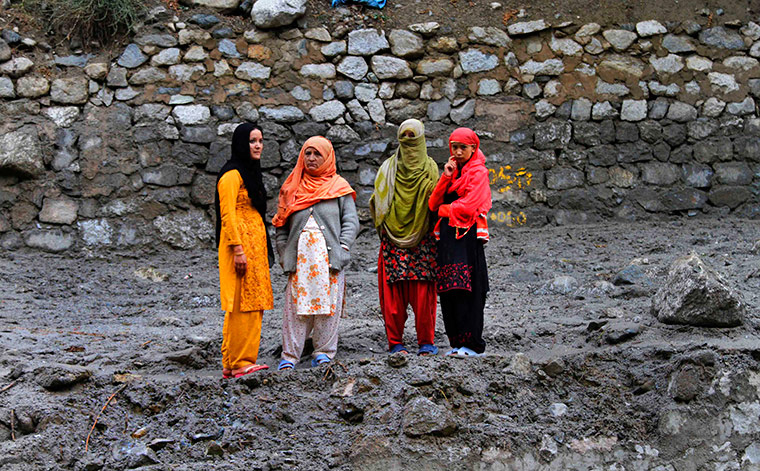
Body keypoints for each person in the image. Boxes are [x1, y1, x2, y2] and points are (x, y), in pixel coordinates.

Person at [272, 136, 360, 370]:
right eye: (307, 153)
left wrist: (343, 247)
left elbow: (351, 222)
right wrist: (283, 252)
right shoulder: (292, 187)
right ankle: (290, 355)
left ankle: (323, 352)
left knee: (327, 305)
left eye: (317, 154)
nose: (311, 158)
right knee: (296, 307)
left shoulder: (339, 187)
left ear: (327, 157)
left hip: (329, 259)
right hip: (300, 260)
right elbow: (281, 224)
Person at [369, 119, 439, 356]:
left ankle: (426, 342)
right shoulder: (387, 169)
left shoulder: (430, 168)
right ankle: (395, 342)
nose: (409, 144)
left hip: (423, 238)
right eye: (404, 138)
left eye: (413, 138)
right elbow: (376, 201)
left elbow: (437, 200)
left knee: (423, 294)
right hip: (392, 238)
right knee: (393, 296)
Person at [215, 122, 274, 379]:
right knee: (241, 304)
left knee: (253, 302)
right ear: (241, 143)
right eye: (252, 141)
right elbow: (227, 215)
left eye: (260, 140)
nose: (258, 145)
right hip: (240, 247)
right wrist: (238, 250)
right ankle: (240, 361)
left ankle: (235, 361)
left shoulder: (250, 173)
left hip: (255, 246)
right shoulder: (232, 175)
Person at [428, 127, 492, 358]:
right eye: (454, 147)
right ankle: (456, 342)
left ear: (473, 148)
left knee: (469, 290)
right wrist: (446, 176)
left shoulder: (478, 173)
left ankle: (472, 344)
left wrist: (445, 209)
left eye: (463, 147)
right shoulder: (452, 173)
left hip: (467, 240)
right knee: (449, 290)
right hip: (447, 240)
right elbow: (432, 203)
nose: (457, 151)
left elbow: (469, 206)